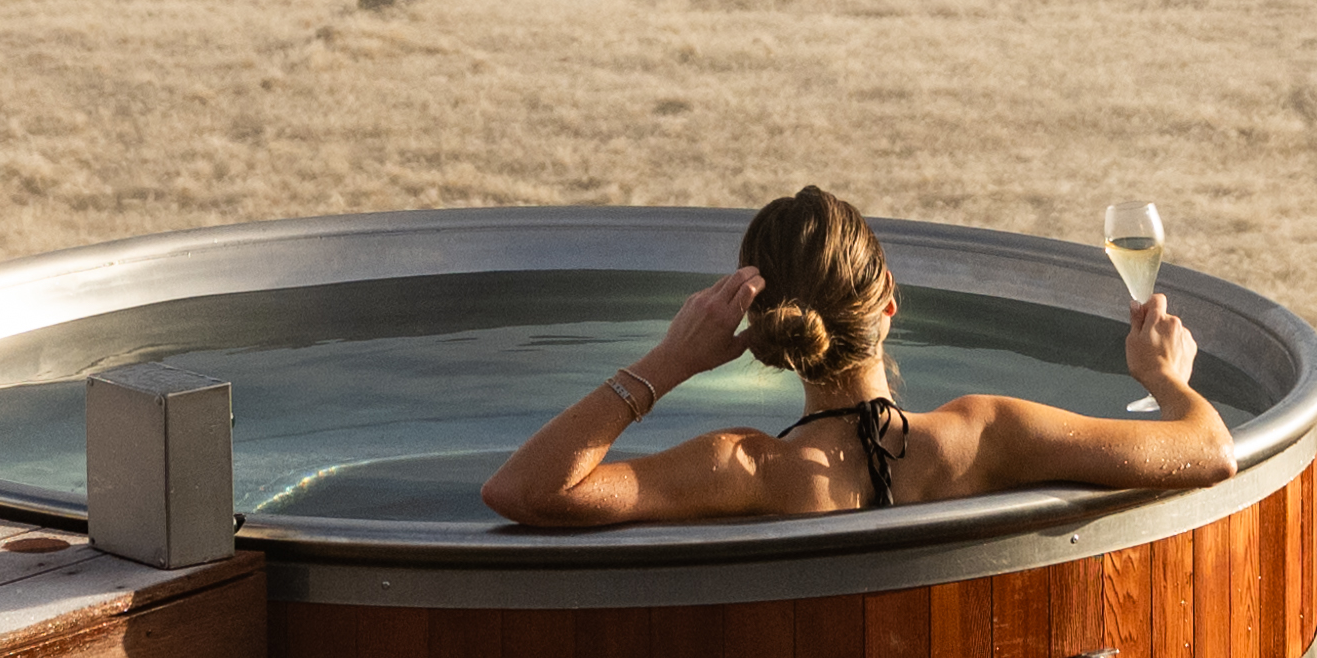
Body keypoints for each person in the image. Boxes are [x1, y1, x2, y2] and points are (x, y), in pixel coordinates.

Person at [476, 185, 1229, 527]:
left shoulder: (747, 470)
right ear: (889, 301)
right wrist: (1164, 378)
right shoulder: (987, 434)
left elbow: (524, 490)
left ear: (766, 338)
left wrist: (666, 363)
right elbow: (1210, 451)